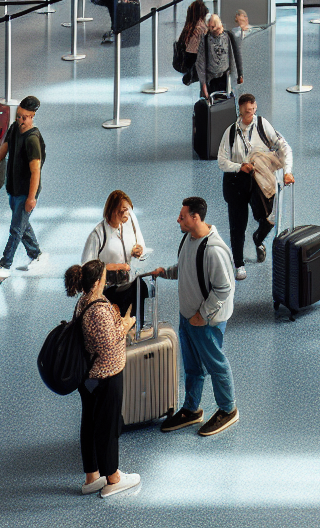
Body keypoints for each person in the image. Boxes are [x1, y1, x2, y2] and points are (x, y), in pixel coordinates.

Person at [149, 197, 239, 437]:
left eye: (182, 216)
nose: (179, 219)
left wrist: (202, 315)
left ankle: (228, 409)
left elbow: (224, 289)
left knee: (215, 364)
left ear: (195, 217)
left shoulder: (214, 250)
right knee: (192, 366)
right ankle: (191, 409)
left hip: (206, 321)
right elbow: (186, 267)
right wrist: (164, 272)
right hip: (188, 317)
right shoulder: (189, 238)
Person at [64, 258, 141, 497]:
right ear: (97, 282)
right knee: (107, 426)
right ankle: (113, 478)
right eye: (105, 277)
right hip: (106, 375)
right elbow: (107, 343)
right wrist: (126, 324)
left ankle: (92, 476)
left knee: (90, 423)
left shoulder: (83, 301)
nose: (107, 279)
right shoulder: (97, 308)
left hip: (88, 378)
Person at [214, 94, 293, 280]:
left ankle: (258, 239)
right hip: (236, 182)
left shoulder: (263, 125)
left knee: (268, 219)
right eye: (245, 111)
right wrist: (239, 166)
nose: (249, 114)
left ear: (255, 107)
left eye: (252, 110)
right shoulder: (231, 132)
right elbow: (221, 161)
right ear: (239, 111)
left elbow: (284, 148)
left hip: (259, 181)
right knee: (237, 225)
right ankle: (239, 263)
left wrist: (287, 171)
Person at [0, 96, 47, 283]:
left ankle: (5, 265)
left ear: (33, 115)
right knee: (22, 224)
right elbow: (2, 152)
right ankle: (36, 253)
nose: (20, 120)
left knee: (15, 229)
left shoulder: (33, 139)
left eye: (24, 117)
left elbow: (36, 172)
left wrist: (31, 198)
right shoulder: (14, 129)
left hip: (26, 192)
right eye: (18, 116)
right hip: (13, 188)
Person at [81, 190, 148, 317]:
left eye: (128, 210)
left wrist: (137, 250)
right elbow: (87, 268)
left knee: (141, 287)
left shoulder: (127, 227)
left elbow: (140, 246)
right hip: (108, 289)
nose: (126, 214)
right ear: (113, 210)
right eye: (123, 210)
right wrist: (118, 266)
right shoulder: (98, 234)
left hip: (126, 282)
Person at [196, 13, 243, 100]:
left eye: (216, 28)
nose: (215, 31)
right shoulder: (206, 40)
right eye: (211, 28)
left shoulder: (229, 36)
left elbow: (237, 54)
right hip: (211, 78)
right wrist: (203, 85)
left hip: (226, 76)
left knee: (226, 100)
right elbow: (200, 63)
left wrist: (240, 74)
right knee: (212, 102)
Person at [175, 1, 209, 84]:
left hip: (184, 63)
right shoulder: (200, 28)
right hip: (194, 66)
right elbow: (193, 52)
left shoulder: (188, 27)